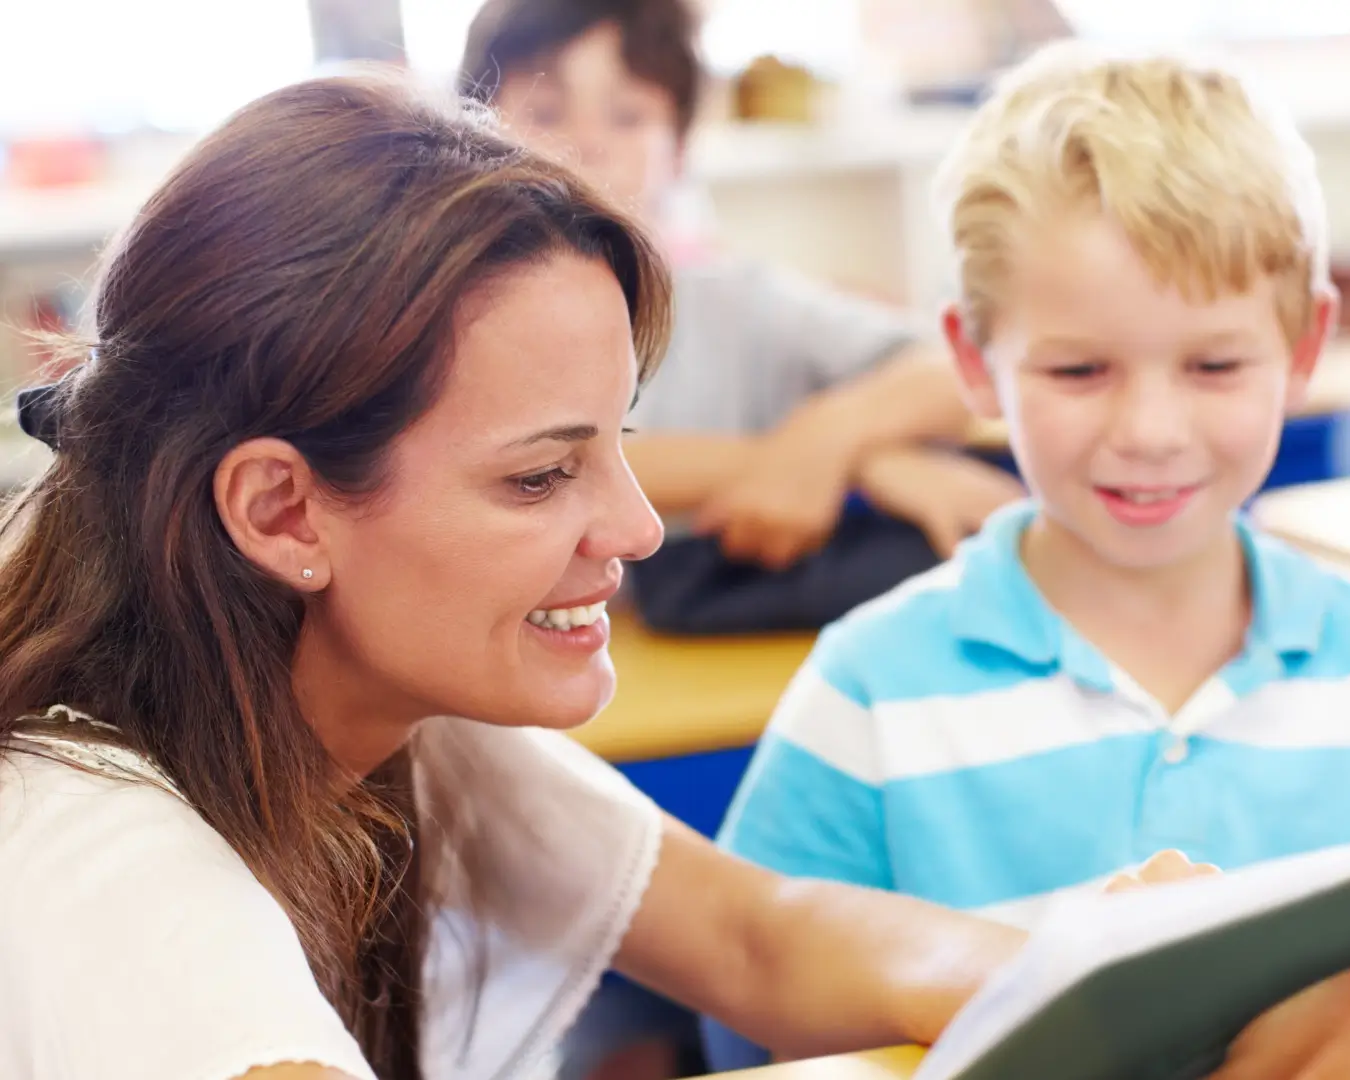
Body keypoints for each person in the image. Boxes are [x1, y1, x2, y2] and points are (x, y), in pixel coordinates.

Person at [0, 69, 1054, 1080]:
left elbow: (755, 939)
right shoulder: (96, 850)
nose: (640, 529)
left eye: (619, 445)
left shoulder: (398, 722)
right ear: (280, 510)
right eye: (542, 476)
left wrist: (1096, 971)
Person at [707, 40, 1350, 1069]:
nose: (1148, 429)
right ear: (972, 360)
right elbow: (751, 1020)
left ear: (1305, 348)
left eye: (1214, 363)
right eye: (1080, 368)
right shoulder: (869, 686)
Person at [459, 0, 1026, 635]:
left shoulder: (730, 298)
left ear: (679, 150)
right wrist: (857, 465)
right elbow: (546, 468)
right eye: (545, 112)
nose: (587, 143)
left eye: (628, 116)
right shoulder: (456, 317)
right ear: (471, 137)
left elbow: (951, 373)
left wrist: (830, 434)